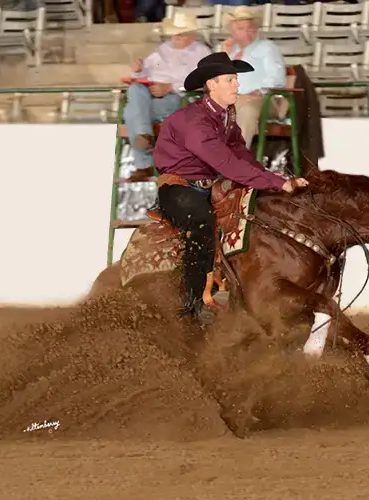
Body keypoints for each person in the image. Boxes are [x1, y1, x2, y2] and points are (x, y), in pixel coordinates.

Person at [153, 52, 310, 323]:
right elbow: (226, 162)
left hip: (208, 186)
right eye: (230, 80)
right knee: (202, 221)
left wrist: (268, 179)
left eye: (236, 79)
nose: (237, 85)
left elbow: (239, 152)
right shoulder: (194, 121)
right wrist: (278, 182)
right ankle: (194, 304)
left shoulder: (225, 115)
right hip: (180, 189)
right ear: (212, 85)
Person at [124, 11, 212, 176]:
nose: (176, 38)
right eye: (174, 35)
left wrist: (171, 87)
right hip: (150, 93)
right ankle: (144, 135)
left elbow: (204, 81)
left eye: (181, 35)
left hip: (181, 97)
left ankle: (144, 163)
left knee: (131, 113)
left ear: (192, 35)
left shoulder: (202, 52)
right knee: (134, 89)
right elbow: (144, 74)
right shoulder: (161, 49)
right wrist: (138, 70)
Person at [217, 6, 288, 147]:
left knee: (246, 109)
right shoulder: (229, 50)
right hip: (234, 100)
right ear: (232, 32)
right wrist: (224, 54)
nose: (247, 32)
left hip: (263, 100)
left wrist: (257, 92)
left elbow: (277, 76)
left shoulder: (266, 47)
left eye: (250, 28)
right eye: (241, 29)